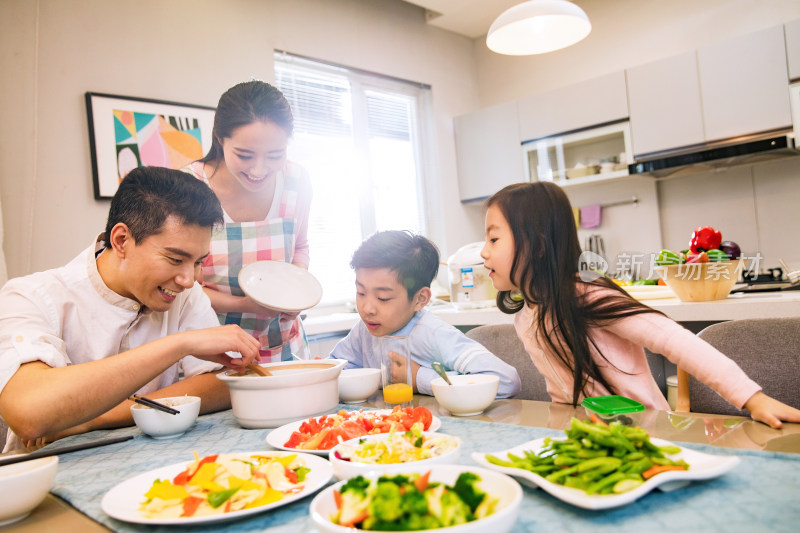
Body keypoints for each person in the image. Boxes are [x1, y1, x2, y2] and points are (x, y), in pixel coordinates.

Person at [480, 181, 800, 429]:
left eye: (493, 239)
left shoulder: (587, 295)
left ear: (537, 244)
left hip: (647, 433)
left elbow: (676, 341)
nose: (483, 252)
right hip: (595, 437)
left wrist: (752, 399)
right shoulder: (526, 314)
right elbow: (563, 391)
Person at [0, 167, 260, 451]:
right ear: (121, 240)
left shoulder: (183, 294)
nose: (189, 280)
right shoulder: (31, 295)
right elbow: (28, 411)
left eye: (198, 262)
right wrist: (179, 345)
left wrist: (90, 419)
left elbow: (222, 383)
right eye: (175, 259)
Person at [182, 80, 312, 363]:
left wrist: (294, 289)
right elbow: (182, 286)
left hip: (284, 348)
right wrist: (245, 305)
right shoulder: (189, 188)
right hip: (210, 353)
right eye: (245, 155)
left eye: (275, 155)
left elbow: (300, 247)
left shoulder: (296, 182)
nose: (259, 169)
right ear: (220, 139)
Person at [330, 230, 521, 398]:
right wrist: (323, 373)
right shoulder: (364, 331)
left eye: (383, 298)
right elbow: (339, 368)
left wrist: (419, 378)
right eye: (361, 293)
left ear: (420, 299)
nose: (367, 308)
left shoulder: (433, 334)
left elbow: (506, 381)